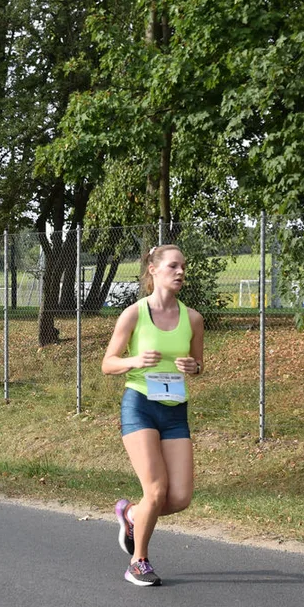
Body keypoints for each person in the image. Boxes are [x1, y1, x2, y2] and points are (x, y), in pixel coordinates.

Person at [101, 245, 204, 586]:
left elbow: (198, 365)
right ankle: (138, 562)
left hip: (175, 410)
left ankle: (130, 515)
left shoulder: (193, 319)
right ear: (154, 270)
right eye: (173, 266)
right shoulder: (134, 314)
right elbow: (108, 363)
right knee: (157, 490)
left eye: (183, 267)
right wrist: (134, 361)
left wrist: (194, 366)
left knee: (179, 498)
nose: (180, 272)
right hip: (140, 405)